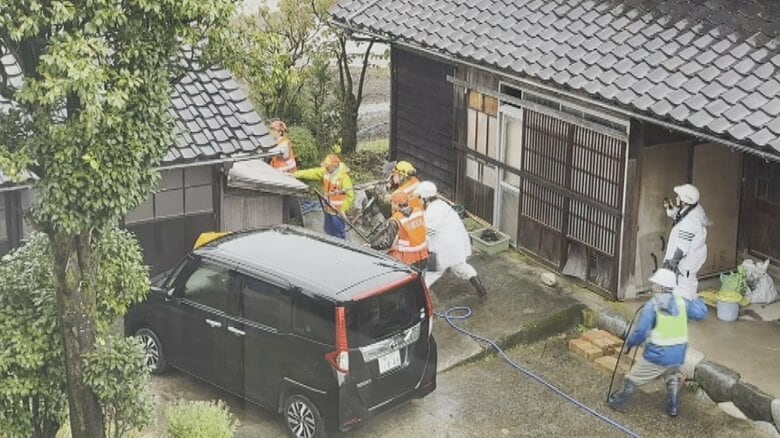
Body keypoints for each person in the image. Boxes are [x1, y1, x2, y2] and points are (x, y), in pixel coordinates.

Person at [608, 268, 708, 417]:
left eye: (655, 284)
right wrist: (695, 299)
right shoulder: (682, 302)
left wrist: (630, 343)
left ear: (661, 288)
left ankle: (618, 401)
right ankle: (673, 407)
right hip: (678, 353)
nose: (653, 287)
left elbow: (641, 331)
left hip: (658, 355)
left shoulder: (652, 306)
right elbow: (701, 313)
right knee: (671, 375)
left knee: (632, 377)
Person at [414, 181, 487, 296]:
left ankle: (420, 300)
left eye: (419, 198)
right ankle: (481, 290)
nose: (418, 201)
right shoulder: (442, 205)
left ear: (425, 199)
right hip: (457, 245)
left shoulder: (431, 213)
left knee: (430, 276)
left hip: (444, 249)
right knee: (462, 268)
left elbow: (427, 236)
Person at [662, 184, 710, 300]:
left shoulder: (690, 222)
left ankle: (687, 306)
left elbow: (682, 248)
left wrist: (671, 265)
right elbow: (681, 215)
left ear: (685, 201)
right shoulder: (696, 208)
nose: (676, 198)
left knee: (685, 291)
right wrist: (671, 209)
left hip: (686, 263)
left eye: (679, 196)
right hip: (691, 258)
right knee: (684, 288)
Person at [294, 154, 353, 239]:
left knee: (338, 234)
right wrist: (295, 174)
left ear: (334, 167)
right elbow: (311, 172)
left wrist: (343, 209)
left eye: (328, 167)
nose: (326, 168)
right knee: (328, 231)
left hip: (338, 213)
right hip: (328, 209)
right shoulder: (325, 172)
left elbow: (350, 196)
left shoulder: (344, 178)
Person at [384, 191, 429, 269]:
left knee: (391, 250)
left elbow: (388, 243)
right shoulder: (418, 211)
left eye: (392, 202)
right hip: (423, 252)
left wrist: (372, 246)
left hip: (408, 257)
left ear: (396, 204)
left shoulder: (395, 220)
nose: (391, 204)